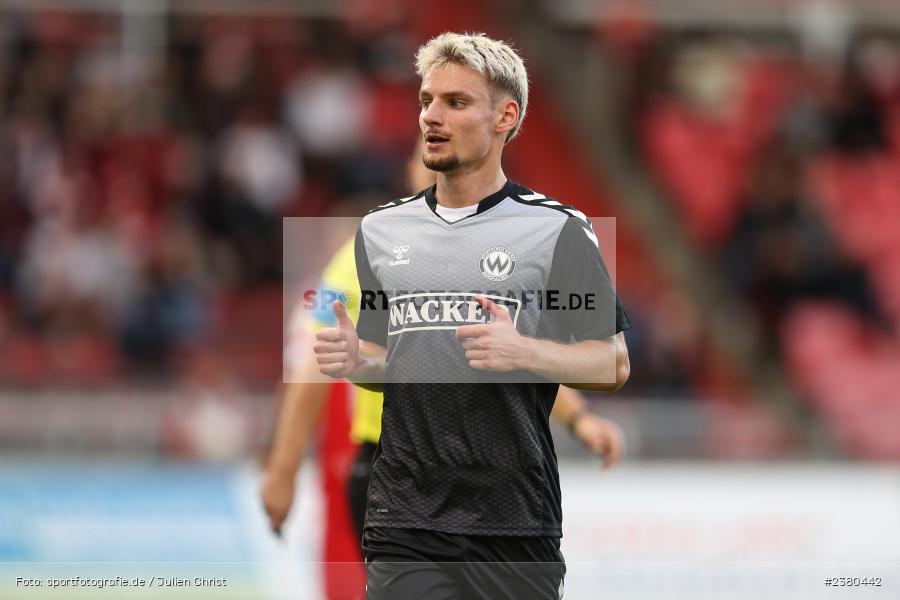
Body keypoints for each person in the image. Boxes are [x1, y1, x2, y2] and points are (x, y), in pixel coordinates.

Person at [313, 32, 631, 600]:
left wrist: (526, 351)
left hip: (514, 522)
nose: (431, 117)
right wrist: (356, 360)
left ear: (505, 116)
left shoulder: (557, 231)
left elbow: (613, 363)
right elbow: (392, 368)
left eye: (455, 103)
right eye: (426, 100)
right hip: (405, 519)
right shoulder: (380, 232)